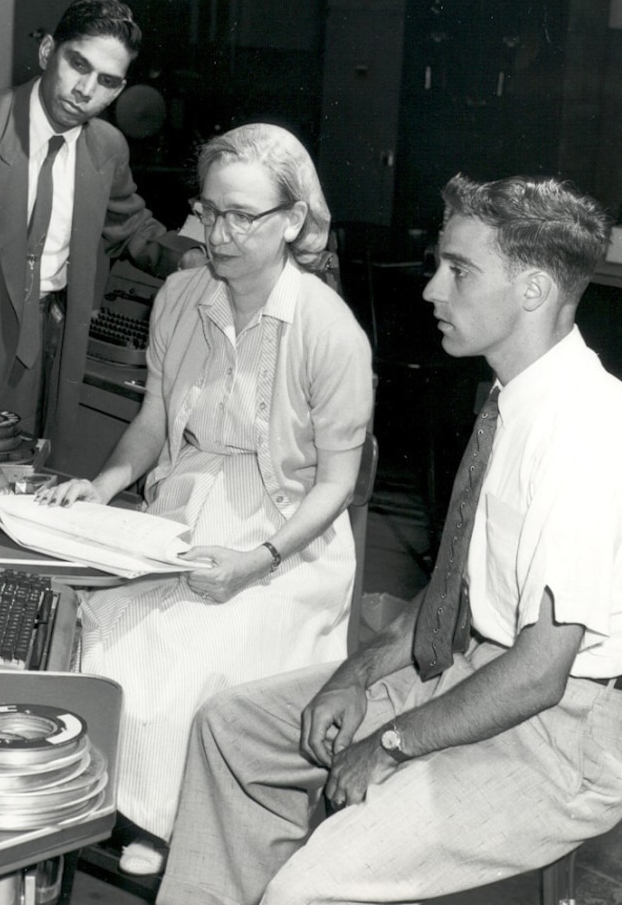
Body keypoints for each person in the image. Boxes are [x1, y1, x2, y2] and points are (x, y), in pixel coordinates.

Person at [155, 173, 622, 905]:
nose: (433, 289)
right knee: (233, 728)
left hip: (558, 738)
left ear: (533, 291)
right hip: (473, 672)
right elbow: (455, 597)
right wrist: (357, 675)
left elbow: (539, 674)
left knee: (307, 890)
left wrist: (392, 740)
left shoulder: (586, 434)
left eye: (459, 270)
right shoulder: (515, 397)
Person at [40, 123, 373, 876]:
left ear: (291, 221)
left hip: (289, 535)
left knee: (187, 651)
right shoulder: (182, 293)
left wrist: (255, 563)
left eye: (242, 217)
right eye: (209, 210)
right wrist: (100, 488)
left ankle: (169, 826)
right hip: (188, 506)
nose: (217, 234)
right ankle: (113, 805)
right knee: (98, 621)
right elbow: (155, 419)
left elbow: (336, 484)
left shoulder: (330, 331)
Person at [0, 0, 200, 443]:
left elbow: (131, 227)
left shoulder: (108, 147)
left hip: (53, 349)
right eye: (78, 64)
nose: (86, 89)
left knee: (30, 472)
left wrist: (194, 258)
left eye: (107, 81)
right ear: (48, 52)